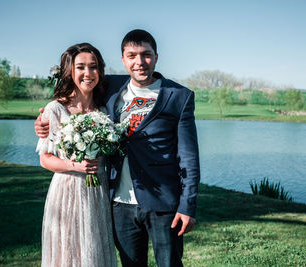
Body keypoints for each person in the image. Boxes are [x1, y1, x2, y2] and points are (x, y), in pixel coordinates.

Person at [35, 29, 200, 267]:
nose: (139, 62)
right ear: (123, 60)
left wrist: (188, 205)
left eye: (146, 55)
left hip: (163, 202)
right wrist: (42, 125)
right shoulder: (112, 89)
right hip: (117, 203)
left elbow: (189, 158)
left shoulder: (178, 96)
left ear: (156, 56)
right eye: (131, 55)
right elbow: (70, 97)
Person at [35, 43, 117, 267]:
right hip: (67, 192)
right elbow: (45, 159)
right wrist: (75, 165)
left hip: (97, 191)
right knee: (68, 253)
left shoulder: (103, 111)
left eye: (93, 67)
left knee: (94, 251)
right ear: (70, 71)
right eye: (80, 67)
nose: (88, 74)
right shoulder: (55, 109)